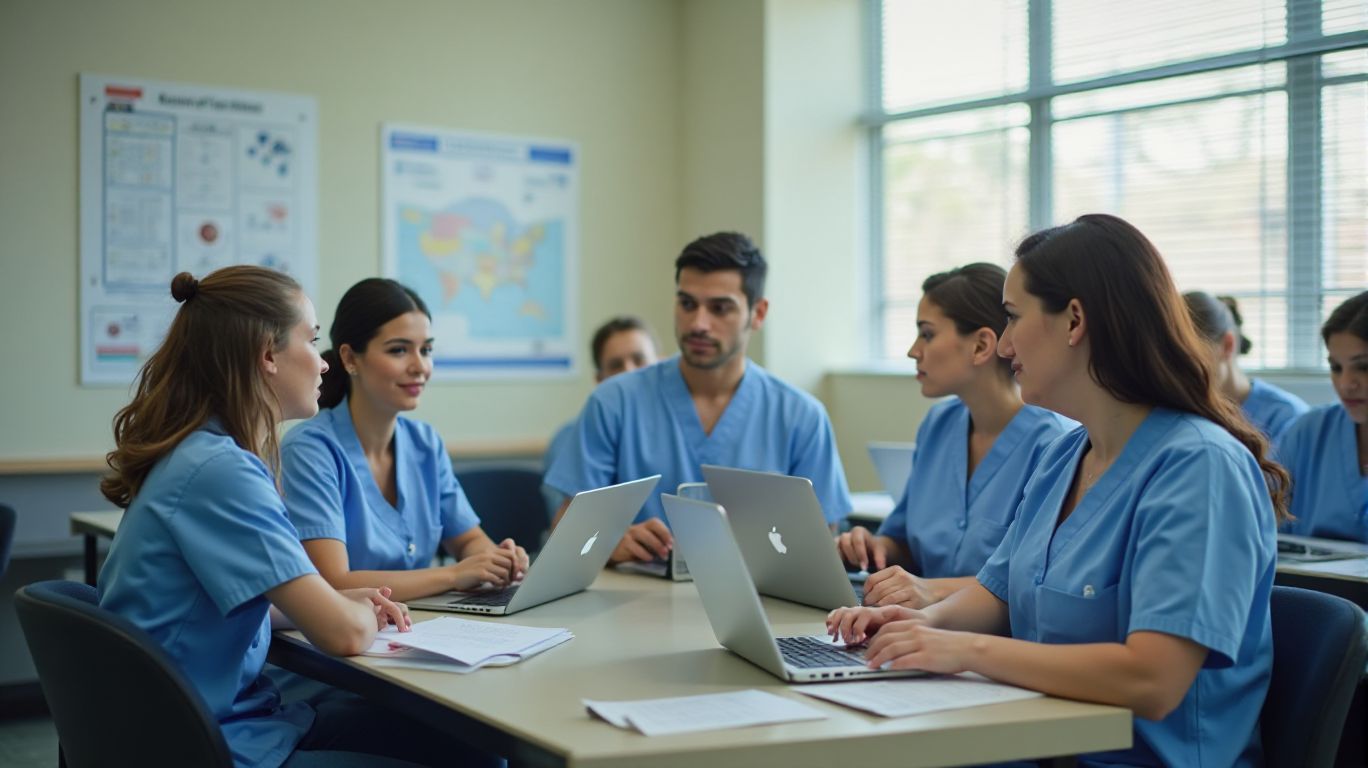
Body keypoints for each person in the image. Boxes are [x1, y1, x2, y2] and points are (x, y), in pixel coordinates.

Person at [828, 214, 1288, 767]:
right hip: (1036, 740)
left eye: (1014, 317)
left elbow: (1153, 679)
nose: (1002, 345)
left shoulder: (1200, 467)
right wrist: (914, 626)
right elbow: (997, 593)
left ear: (1074, 320)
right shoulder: (1066, 454)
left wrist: (962, 649)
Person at [98, 267, 479, 768]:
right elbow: (342, 635)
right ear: (267, 355)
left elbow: (238, 602)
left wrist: (336, 598)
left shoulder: (207, 454)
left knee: (470, 747)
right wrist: (351, 612)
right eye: (312, 340)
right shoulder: (222, 469)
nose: (323, 364)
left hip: (226, 720)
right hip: (207, 744)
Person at [544, 232, 852, 564]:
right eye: (687, 304)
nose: (698, 324)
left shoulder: (801, 417)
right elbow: (566, 530)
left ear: (758, 314)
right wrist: (610, 546)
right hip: (630, 603)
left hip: (760, 604)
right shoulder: (613, 403)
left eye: (720, 308)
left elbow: (821, 542)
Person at [836, 264, 1073, 608]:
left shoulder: (1054, 444)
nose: (913, 350)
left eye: (927, 335)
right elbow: (903, 541)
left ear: (981, 346)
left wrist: (929, 591)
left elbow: (1031, 579)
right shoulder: (939, 424)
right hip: (912, 628)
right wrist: (872, 548)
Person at [281, 278, 529, 602]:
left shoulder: (426, 443)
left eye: (426, 350)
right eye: (399, 350)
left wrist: (497, 560)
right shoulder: (309, 449)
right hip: (348, 640)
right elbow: (331, 582)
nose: (420, 367)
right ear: (350, 358)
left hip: (424, 629)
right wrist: (454, 574)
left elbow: (469, 541)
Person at [1278, 290, 1368, 542]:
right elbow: (1261, 528)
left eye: (1363, 367)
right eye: (1336, 367)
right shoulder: (1308, 432)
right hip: (1303, 583)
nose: (1346, 384)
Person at [543, 316, 660, 500]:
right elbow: (572, 523)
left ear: (661, 366)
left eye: (639, 360)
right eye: (616, 365)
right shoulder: (570, 438)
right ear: (599, 380)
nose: (629, 372)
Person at [1184, 291, 1309, 442]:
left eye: (1190, 357)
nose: (1179, 371)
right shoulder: (1182, 416)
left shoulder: (1288, 418)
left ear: (1227, 346)